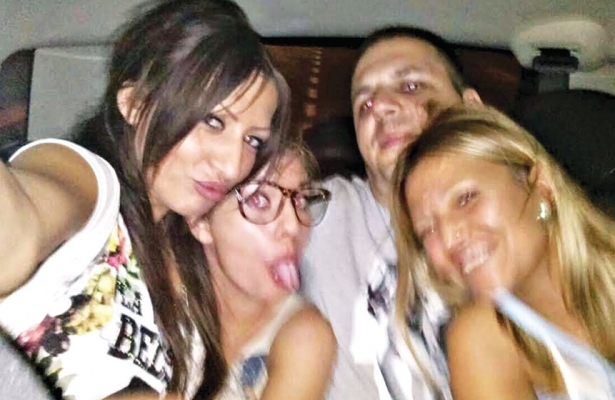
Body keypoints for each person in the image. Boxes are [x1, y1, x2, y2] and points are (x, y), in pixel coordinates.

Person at [0, 0, 292, 399]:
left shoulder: (190, 265)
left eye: (253, 141)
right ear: (135, 104)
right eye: (213, 121)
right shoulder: (92, 184)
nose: (232, 164)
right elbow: (21, 226)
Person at [392, 105, 615, 399]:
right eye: (428, 230)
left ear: (541, 185)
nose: (449, 238)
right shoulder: (482, 340)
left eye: (466, 198)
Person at [299, 26, 481, 400]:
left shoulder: (520, 219)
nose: (380, 107)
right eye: (364, 104)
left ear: (471, 108)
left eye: (411, 87)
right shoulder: (319, 213)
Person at [188, 143, 336, 399]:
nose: (293, 226)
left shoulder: (304, 336)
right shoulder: (155, 298)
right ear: (201, 221)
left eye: (300, 201)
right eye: (258, 200)